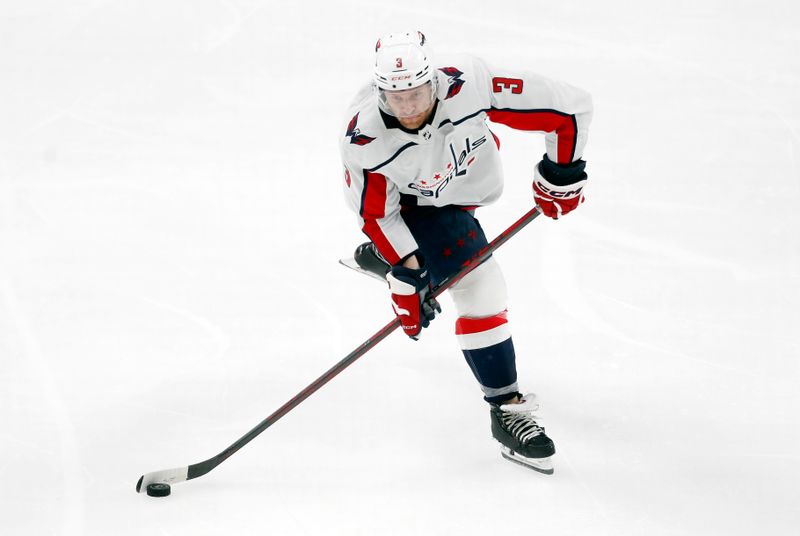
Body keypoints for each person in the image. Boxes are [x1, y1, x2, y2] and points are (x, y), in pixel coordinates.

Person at [339, 31, 592, 474]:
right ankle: (506, 409)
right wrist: (407, 272)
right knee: (482, 288)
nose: (409, 107)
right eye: (396, 98)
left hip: (466, 187)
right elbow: (379, 215)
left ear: (434, 81)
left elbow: (568, 109)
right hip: (418, 207)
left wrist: (562, 170)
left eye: (416, 93)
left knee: (448, 266)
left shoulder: (470, 82)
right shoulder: (364, 140)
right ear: (380, 91)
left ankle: (414, 263)